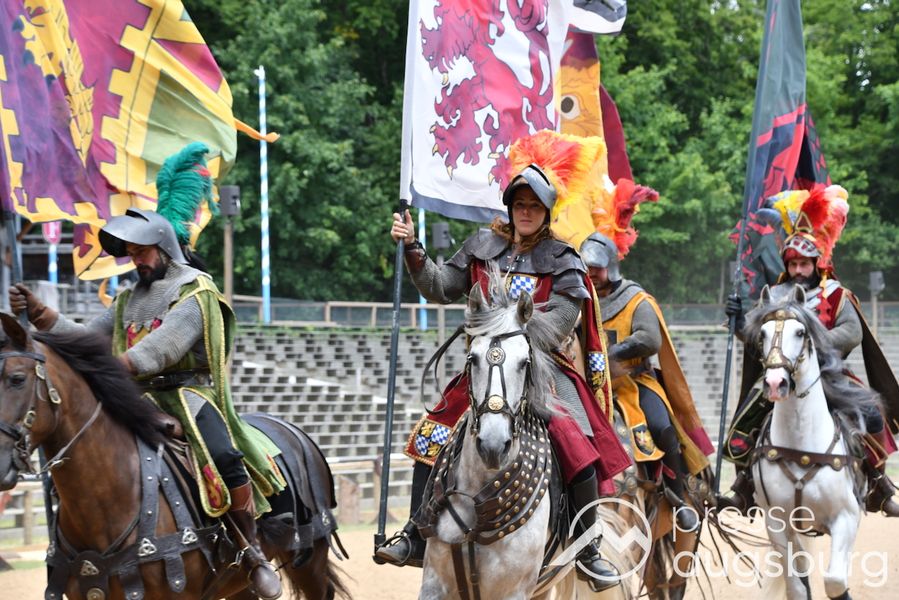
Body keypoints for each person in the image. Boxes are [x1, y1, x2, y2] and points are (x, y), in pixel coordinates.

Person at [9, 146, 285, 600]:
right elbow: (87, 338)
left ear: (165, 248)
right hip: (134, 396)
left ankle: (250, 549)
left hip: (190, 397)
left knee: (224, 455)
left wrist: (111, 368)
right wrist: (41, 314)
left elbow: (162, 348)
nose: (136, 260)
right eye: (132, 253)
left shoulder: (196, 291)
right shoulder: (128, 300)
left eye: (142, 252)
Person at [374, 165, 632, 591]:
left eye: (534, 206)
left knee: (579, 449)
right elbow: (440, 286)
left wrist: (506, 327)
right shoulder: (483, 246)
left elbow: (561, 321)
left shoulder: (564, 259)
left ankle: (587, 549)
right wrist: (414, 249)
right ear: (510, 208)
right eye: (519, 205)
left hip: (542, 369)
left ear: (546, 212)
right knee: (429, 435)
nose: (525, 212)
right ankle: (416, 534)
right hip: (484, 367)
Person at [719, 186, 899, 517]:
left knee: (871, 412)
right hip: (781, 373)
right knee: (747, 419)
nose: (799, 270)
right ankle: (743, 488)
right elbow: (756, 336)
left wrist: (812, 342)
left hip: (829, 373)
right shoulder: (774, 295)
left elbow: (852, 332)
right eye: (793, 264)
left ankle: (878, 484)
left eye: (804, 263)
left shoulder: (837, 295)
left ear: (817, 263)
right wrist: (738, 321)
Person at [581, 233, 714, 532]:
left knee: (661, 427)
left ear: (610, 266)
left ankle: (677, 497)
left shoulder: (636, 300)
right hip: (587, 387)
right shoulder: (577, 298)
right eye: (586, 268)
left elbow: (649, 339)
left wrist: (609, 355)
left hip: (633, 382)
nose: (592, 274)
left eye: (597, 268)